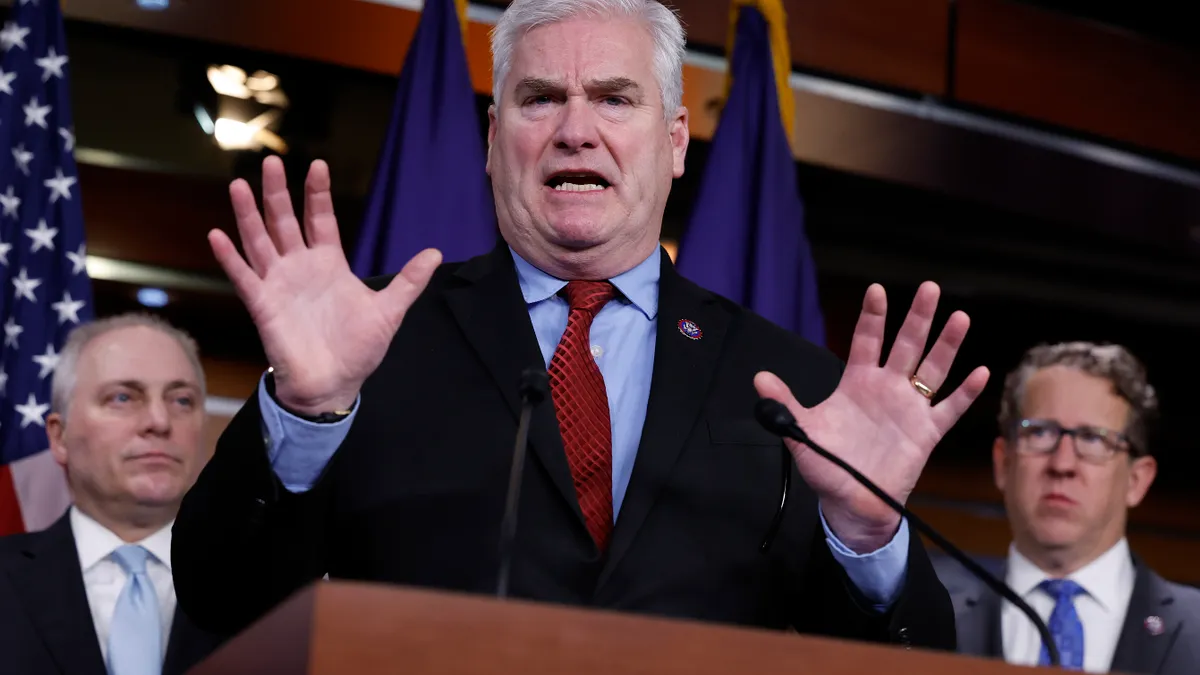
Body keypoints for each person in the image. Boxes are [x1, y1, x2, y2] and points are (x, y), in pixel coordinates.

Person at [172, 0, 990, 650]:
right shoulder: (373, 342)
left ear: (674, 142)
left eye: (613, 98)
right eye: (539, 98)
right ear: (493, 141)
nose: (575, 128)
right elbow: (219, 598)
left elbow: (900, 655)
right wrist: (305, 415)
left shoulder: (791, 388)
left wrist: (866, 534)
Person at [935, 341, 1200, 673]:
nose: (1062, 464)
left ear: (1136, 480)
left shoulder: (1195, 630)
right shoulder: (930, 621)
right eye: (1041, 433)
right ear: (1003, 463)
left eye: (1093, 439)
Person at [0, 314, 225, 675]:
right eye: (122, 397)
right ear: (60, 437)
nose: (160, 421)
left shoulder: (264, 591)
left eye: (181, 400)